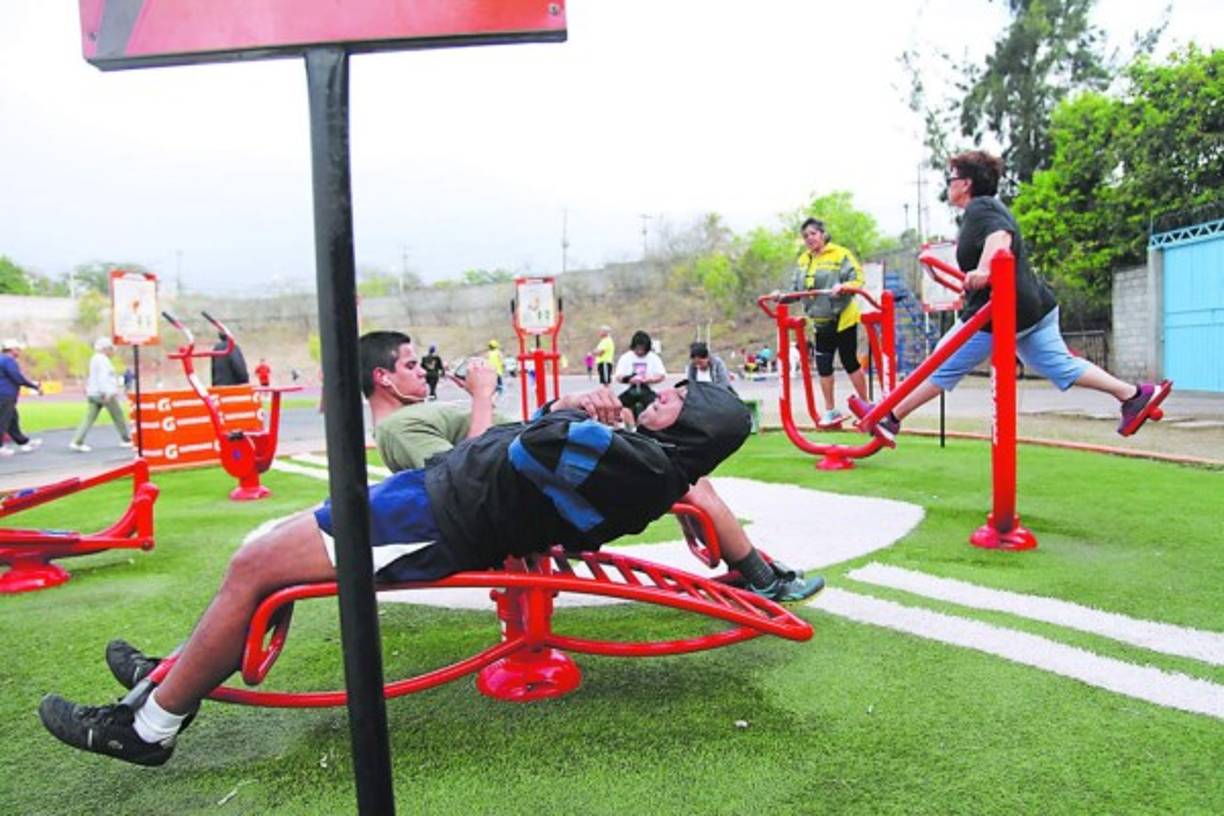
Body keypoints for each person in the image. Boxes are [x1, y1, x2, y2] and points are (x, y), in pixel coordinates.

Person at [38, 365, 817, 767]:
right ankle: (168, 678)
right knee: (262, 557)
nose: (655, 394)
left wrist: (575, 413)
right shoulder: (643, 456)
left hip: (438, 519)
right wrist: (576, 410)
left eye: (673, 398)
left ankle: (150, 726)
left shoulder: (643, 464)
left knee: (257, 565)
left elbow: (524, 448)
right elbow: (530, 444)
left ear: (694, 428)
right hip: (435, 499)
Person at [854, 150, 1170, 446]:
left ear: (966, 184)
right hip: (1034, 308)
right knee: (1059, 366)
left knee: (943, 360)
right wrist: (970, 281)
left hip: (1002, 311)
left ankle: (890, 416)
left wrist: (984, 269)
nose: (948, 185)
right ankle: (1134, 395)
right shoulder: (980, 212)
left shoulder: (981, 207)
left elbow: (1000, 237)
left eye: (952, 179)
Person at [785, 217, 870, 427]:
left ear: (823, 234)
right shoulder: (803, 260)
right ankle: (831, 411)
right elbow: (796, 290)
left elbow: (858, 279)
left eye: (813, 234)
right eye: (806, 236)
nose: (810, 238)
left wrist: (844, 286)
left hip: (842, 317)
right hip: (820, 319)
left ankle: (867, 406)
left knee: (849, 361)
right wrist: (783, 296)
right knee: (823, 365)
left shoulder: (840, 254)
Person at [68, 338, 133, 452]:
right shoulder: (103, 360)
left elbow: (94, 377)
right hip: (103, 394)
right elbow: (103, 378)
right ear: (105, 349)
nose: (112, 352)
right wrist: (107, 392)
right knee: (118, 416)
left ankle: (77, 441)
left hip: (94, 393)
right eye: (110, 349)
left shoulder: (94, 359)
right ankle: (126, 439)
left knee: (88, 419)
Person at [0, 339, 42, 456]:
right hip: (5, 395)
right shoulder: (8, 361)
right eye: (17, 349)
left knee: (12, 420)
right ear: (11, 349)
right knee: (3, 421)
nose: (19, 351)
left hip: (4, 394)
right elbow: (18, 378)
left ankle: (23, 442)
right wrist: (34, 386)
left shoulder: (2, 359)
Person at [614, 330, 667, 419]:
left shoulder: (654, 358)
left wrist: (650, 379)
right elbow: (618, 376)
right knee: (616, 405)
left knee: (657, 406)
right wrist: (629, 380)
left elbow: (661, 375)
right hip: (629, 391)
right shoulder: (625, 357)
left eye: (642, 349)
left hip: (648, 390)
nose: (640, 352)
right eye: (637, 349)